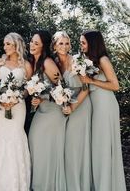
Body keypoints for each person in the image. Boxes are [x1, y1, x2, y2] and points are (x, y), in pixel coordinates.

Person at [79, 30, 126, 191]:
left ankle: (106, 186)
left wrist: (91, 80)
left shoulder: (103, 60)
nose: (81, 46)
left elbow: (115, 85)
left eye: (83, 42)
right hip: (94, 104)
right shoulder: (88, 61)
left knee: (104, 145)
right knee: (97, 145)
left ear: (92, 43)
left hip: (105, 105)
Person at [0, 32, 32, 191]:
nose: (5, 47)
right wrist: (0, 99)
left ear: (16, 45)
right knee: (1, 139)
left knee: (16, 138)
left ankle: (19, 183)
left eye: (8, 44)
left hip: (18, 106)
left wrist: (17, 97)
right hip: (0, 108)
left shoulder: (25, 65)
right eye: (4, 44)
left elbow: (29, 88)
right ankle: (1, 184)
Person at [52, 31, 92, 191]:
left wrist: (73, 107)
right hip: (66, 106)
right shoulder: (53, 63)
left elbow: (86, 87)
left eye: (67, 43)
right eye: (60, 43)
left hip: (81, 105)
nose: (64, 46)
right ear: (54, 46)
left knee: (75, 146)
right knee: (67, 146)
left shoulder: (77, 61)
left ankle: (78, 185)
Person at [28, 30, 67, 191]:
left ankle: (45, 186)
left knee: (42, 146)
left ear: (43, 47)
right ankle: (38, 184)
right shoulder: (33, 62)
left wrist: (42, 96)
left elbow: (63, 88)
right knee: (35, 144)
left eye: (36, 43)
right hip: (41, 111)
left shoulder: (48, 63)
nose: (32, 45)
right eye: (31, 41)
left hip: (53, 112)